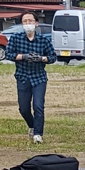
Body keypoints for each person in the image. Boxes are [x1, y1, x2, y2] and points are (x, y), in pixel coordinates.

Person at [7, 12, 55, 144]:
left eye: (30, 21)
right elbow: (8, 54)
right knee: (24, 108)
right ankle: (32, 126)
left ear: (36, 23)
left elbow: (53, 57)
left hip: (39, 77)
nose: (28, 24)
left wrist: (41, 58)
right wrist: (23, 56)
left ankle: (38, 134)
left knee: (38, 106)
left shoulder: (43, 40)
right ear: (22, 24)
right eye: (25, 21)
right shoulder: (16, 38)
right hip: (22, 77)